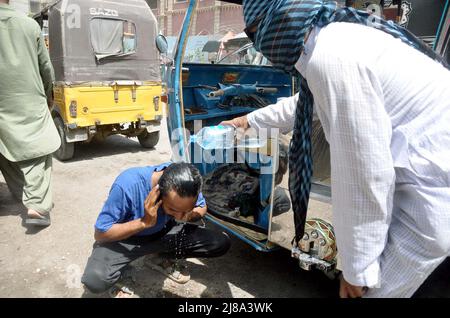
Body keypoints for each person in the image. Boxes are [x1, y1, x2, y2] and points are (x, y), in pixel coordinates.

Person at [222, 0, 450, 298]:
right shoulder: (334, 41)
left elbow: (363, 176)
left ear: (279, 21)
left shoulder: (331, 58)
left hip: (429, 193)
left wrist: (357, 268)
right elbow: (303, 104)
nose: (261, 47)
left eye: (255, 35)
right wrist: (247, 119)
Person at [81, 162, 231, 298]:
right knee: (95, 279)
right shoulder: (128, 185)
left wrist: (189, 215)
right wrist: (143, 223)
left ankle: (159, 257)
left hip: (165, 233)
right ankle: (120, 275)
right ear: (158, 193)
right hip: (126, 240)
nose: (179, 216)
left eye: (184, 210)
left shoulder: (186, 181)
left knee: (220, 243)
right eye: (173, 209)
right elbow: (100, 234)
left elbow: (202, 207)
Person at [0, 0, 60, 227]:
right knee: (39, 151)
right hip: (26, 101)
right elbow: (46, 68)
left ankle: (20, 194)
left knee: (5, 150)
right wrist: (48, 96)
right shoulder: (28, 26)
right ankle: (37, 206)